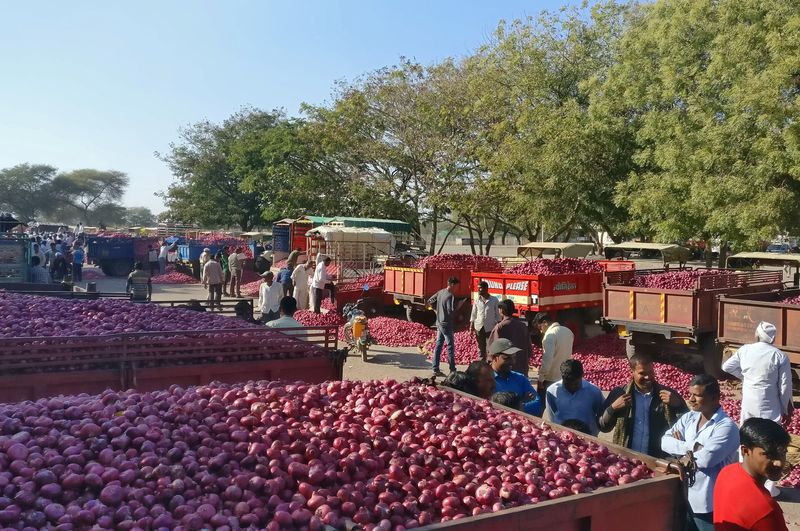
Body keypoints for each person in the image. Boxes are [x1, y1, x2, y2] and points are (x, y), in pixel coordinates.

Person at [722, 321, 792, 497]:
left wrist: (745, 377)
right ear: (773, 337)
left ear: (757, 335)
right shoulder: (779, 356)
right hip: (770, 404)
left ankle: (745, 478)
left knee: (746, 436)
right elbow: (784, 387)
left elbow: (726, 366)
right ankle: (768, 485)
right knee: (771, 442)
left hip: (750, 402)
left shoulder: (745, 350)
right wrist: (786, 408)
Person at [661, 375, 739, 531]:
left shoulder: (726, 427)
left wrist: (679, 447)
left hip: (708, 501)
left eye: (697, 395)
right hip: (684, 494)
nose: (690, 399)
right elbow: (664, 442)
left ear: (714, 398)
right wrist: (693, 446)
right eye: (690, 394)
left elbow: (705, 460)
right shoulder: (690, 417)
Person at [598, 353, 689, 458]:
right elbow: (603, 427)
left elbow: (688, 426)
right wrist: (612, 409)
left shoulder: (668, 395)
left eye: (651, 372)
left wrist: (678, 406)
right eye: (642, 373)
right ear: (631, 372)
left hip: (659, 461)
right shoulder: (620, 393)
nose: (648, 377)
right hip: (626, 459)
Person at [713, 418, 790, 531]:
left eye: (782, 453)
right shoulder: (765, 510)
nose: (779, 462)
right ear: (745, 451)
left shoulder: (727, 472)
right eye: (769, 454)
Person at [545, 359, 604, 436]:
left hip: (588, 437)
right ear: (562, 377)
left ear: (582, 376)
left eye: (576, 383)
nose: (572, 387)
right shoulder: (552, 391)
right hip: (562, 437)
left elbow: (601, 415)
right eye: (568, 384)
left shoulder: (594, 392)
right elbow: (552, 416)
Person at [489, 338, 543, 416]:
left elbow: (537, 404)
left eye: (514, 357)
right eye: (506, 358)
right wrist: (520, 405)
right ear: (494, 358)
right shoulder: (486, 380)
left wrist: (511, 409)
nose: (512, 362)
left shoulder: (520, 378)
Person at [534, 313, 574, 402]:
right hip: (564, 376)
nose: (541, 331)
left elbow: (547, 359)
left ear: (545, 323)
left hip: (551, 378)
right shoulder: (568, 331)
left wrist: (541, 378)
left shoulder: (550, 335)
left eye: (540, 328)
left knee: (543, 404)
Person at [488, 299, 532, 376]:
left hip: (506, 369)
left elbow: (493, 349)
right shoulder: (523, 326)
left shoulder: (499, 327)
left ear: (502, 310)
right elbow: (529, 346)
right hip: (522, 367)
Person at [428, 276, 460, 376]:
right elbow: (450, 311)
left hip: (439, 323)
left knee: (438, 345)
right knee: (450, 346)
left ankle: (435, 369)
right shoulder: (450, 296)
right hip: (446, 324)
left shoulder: (440, 292)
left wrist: (436, 310)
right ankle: (452, 369)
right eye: (456, 286)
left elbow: (430, 300)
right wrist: (457, 308)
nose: (457, 288)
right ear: (452, 284)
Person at [470, 281, 500, 360]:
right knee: (481, 346)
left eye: (481, 288)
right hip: (479, 327)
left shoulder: (494, 300)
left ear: (486, 289)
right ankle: (482, 361)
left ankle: (490, 361)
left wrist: (499, 325)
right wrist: (471, 327)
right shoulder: (477, 300)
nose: (479, 290)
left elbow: (497, 314)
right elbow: (473, 314)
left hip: (490, 327)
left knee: (490, 345)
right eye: (478, 288)